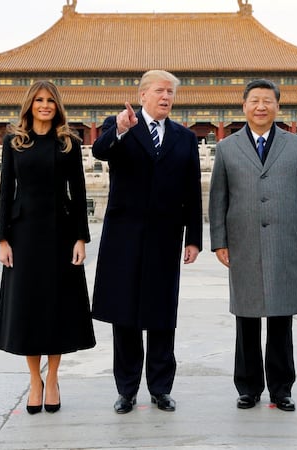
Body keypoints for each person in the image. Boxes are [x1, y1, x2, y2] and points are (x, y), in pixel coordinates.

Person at [91, 69, 203, 414]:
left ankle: (160, 388)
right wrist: (122, 131)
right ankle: (126, 390)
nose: (166, 97)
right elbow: (100, 151)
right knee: (124, 315)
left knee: (160, 315)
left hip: (165, 238)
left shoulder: (184, 138)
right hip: (124, 237)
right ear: (142, 96)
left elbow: (192, 191)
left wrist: (194, 238)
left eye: (170, 92)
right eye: (159, 91)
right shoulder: (121, 124)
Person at [208, 79, 297, 412]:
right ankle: (248, 387)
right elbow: (218, 199)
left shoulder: (296, 145)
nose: (261, 106)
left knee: (281, 318)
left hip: (284, 241)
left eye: (267, 101)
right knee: (246, 318)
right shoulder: (228, 147)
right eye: (254, 101)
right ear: (243, 107)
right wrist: (219, 241)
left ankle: (281, 388)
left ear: (277, 107)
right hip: (243, 242)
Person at [0, 80, 96, 415]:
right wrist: (3, 239)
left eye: (50, 100)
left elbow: (78, 193)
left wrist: (81, 237)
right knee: (28, 308)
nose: (44, 105)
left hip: (60, 234)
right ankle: (33, 380)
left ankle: (52, 378)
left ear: (57, 106)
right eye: (38, 100)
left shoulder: (68, 142)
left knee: (56, 307)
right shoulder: (14, 142)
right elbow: (6, 189)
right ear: (29, 104)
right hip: (23, 235)